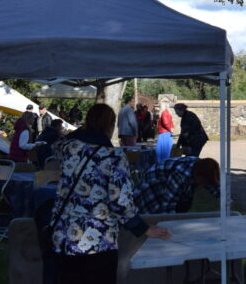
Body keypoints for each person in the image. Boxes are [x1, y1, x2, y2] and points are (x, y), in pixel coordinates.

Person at [51, 103, 170, 281]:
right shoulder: (113, 156)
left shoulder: (68, 148)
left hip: (63, 236)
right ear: (110, 125)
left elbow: (55, 145)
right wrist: (143, 228)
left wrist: (82, 130)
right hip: (96, 240)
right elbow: (120, 201)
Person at [136, 157, 220, 214]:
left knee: (185, 204)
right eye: (203, 182)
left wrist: (226, 205)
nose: (203, 185)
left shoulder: (201, 168)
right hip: (152, 187)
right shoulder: (180, 175)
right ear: (198, 176)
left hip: (168, 182)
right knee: (155, 218)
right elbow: (168, 206)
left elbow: (216, 189)